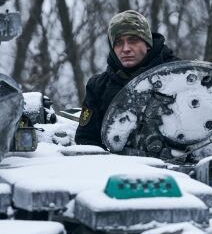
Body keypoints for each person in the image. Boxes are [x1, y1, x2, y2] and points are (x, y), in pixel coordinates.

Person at [75, 10, 179, 148]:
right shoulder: (98, 86)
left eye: (133, 40)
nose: (125, 49)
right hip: (118, 165)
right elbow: (86, 139)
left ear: (147, 43)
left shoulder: (179, 75)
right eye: (118, 43)